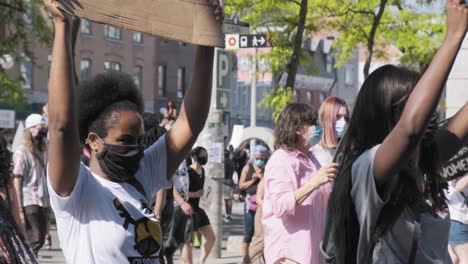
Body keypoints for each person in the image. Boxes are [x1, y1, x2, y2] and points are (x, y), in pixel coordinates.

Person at [43, 0, 223, 263]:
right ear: (93, 141)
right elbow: (61, 126)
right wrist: (62, 26)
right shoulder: (76, 189)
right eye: (125, 140)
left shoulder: (142, 174)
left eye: (139, 140)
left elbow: (190, 123)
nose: (136, 149)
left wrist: (206, 40)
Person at [322, 2, 468, 263]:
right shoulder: (367, 168)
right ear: (391, 116)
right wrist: (454, 35)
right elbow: (411, 129)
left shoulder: (420, 162)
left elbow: (459, 126)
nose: (427, 114)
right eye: (418, 105)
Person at [262, 103, 337, 264]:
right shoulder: (281, 160)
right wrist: (314, 183)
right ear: (297, 128)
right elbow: (281, 206)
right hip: (290, 253)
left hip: (313, 250)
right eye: (312, 123)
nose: (318, 127)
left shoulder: (311, 158)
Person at [13, 114, 50, 255]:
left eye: (43, 128)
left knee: (39, 239)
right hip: (29, 200)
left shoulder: (43, 150)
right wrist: (19, 208)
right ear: (29, 129)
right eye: (39, 128)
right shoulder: (21, 152)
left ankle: (27, 258)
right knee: (35, 238)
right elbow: (17, 179)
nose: (42, 131)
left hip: (44, 200)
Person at [0, 137, 38, 263]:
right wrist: (24, 240)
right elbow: (15, 214)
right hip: (8, 239)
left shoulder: (7, 181)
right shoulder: (6, 181)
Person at [239, 145, 268, 264]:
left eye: (261, 158)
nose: (259, 160)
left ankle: (259, 260)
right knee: (248, 233)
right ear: (254, 156)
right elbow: (241, 186)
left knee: (261, 235)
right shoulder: (247, 168)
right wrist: (253, 179)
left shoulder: (267, 168)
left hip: (262, 205)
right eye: (257, 157)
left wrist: (262, 178)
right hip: (250, 204)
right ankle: (246, 259)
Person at [186, 147, 215, 264]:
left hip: (200, 209)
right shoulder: (188, 172)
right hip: (190, 209)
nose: (204, 156)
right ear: (194, 156)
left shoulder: (203, 171)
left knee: (211, 238)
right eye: (202, 154)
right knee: (190, 242)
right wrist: (195, 194)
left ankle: (201, 261)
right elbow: (181, 192)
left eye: (205, 154)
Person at [443, 140, 468, 264]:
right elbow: (457, 186)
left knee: (454, 259)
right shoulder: (451, 164)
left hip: (460, 218)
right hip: (458, 218)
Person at [311, 96, 349, 166]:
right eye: (338, 116)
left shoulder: (347, 152)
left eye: (346, 118)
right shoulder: (312, 153)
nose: (343, 121)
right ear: (325, 118)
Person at [248, 177, 265, 264]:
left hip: (272, 215)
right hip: (263, 213)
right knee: (260, 241)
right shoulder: (267, 177)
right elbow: (259, 199)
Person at [224, 149, 236, 223]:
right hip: (231, 181)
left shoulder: (225, 162)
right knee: (229, 199)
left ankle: (228, 214)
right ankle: (229, 213)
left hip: (226, 181)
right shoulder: (231, 161)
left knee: (227, 199)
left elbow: (224, 171)